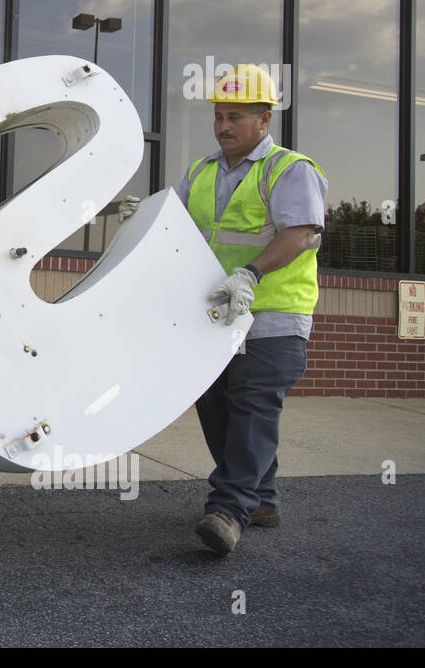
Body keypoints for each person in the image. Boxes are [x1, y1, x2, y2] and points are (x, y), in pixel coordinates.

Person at [120, 64, 327, 556]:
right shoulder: (202, 171)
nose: (223, 126)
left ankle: (228, 510)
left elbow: (300, 234)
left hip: (273, 317)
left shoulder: (290, 170)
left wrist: (250, 275)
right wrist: (143, 216)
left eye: (235, 116)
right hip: (215, 319)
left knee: (253, 408)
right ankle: (262, 500)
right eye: (218, 116)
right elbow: (178, 229)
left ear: (264, 119)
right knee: (218, 410)